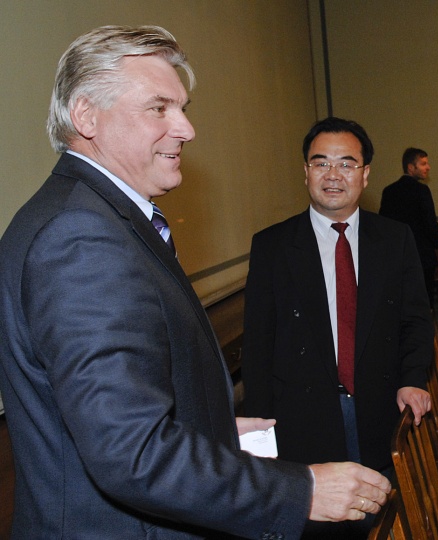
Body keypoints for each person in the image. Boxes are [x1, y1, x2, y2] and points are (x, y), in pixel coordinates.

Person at [0, 26, 390, 539]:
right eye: (158, 108)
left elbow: (111, 414)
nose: (186, 128)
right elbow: (132, 452)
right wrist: (303, 491)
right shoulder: (81, 235)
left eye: (182, 108)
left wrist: (212, 431)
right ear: (86, 115)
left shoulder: (85, 215)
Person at [241, 117, 434, 539]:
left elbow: (416, 320)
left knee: (381, 521)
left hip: (379, 407)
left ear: (365, 174)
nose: (333, 175)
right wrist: (259, 431)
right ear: (305, 171)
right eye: (321, 163)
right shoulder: (272, 246)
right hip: (302, 418)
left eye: (346, 164)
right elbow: (257, 344)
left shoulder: (395, 239)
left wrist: (413, 378)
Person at [379, 147, 438, 307]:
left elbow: (384, 225)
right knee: (425, 301)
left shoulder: (389, 191)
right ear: (411, 167)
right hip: (422, 254)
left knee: (403, 302)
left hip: (398, 256)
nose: (428, 167)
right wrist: (436, 243)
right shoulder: (422, 191)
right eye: (423, 164)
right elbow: (430, 223)